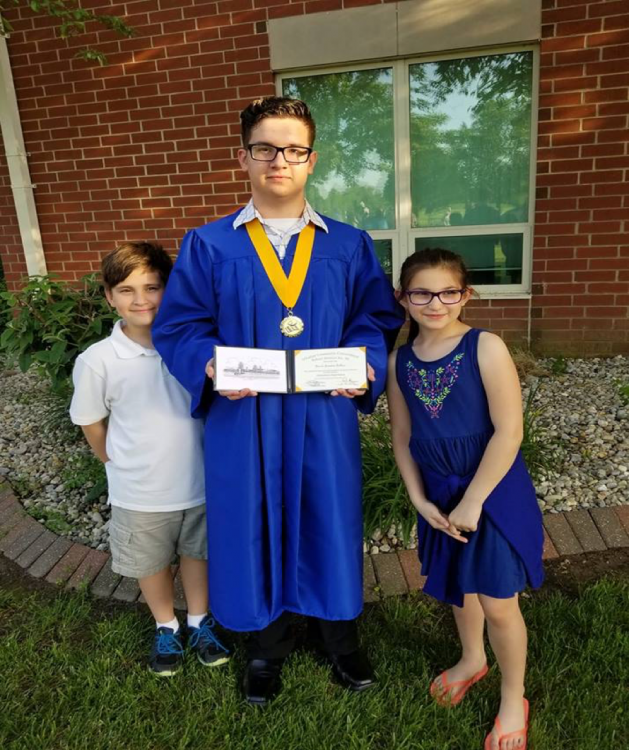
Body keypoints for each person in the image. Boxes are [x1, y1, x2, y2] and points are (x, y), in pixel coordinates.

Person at [152, 97, 404, 705]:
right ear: (243, 157)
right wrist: (208, 363)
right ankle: (266, 648)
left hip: (322, 412)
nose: (278, 160)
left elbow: (374, 319)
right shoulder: (209, 245)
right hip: (245, 415)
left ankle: (340, 639)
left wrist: (365, 365)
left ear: (311, 160)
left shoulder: (347, 243)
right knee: (249, 523)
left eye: (293, 149)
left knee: (329, 518)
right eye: (265, 148)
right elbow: (180, 326)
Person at [386, 248, 543, 750]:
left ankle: (512, 695)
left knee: (498, 601)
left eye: (448, 292)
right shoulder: (399, 362)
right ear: (403, 299)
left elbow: (508, 431)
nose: (436, 303)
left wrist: (473, 501)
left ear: (465, 295)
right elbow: (402, 437)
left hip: (490, 494)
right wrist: (419, 499)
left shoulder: (485, 346)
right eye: (422, 293)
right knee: (460, 586)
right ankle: (472, 659)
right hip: (438, 494)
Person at [69, 242, 230, 676]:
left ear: (170, 289)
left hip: (198, 481)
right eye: (125, 290)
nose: (140, 300)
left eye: (152, 287)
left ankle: (199, 620)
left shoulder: (195, 351)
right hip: (139, 491)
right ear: (108, 296)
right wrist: (112, 459)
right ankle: (166, 624)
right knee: (152, 562)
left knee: (199, 554)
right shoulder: (99, 360)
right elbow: (90, 420)